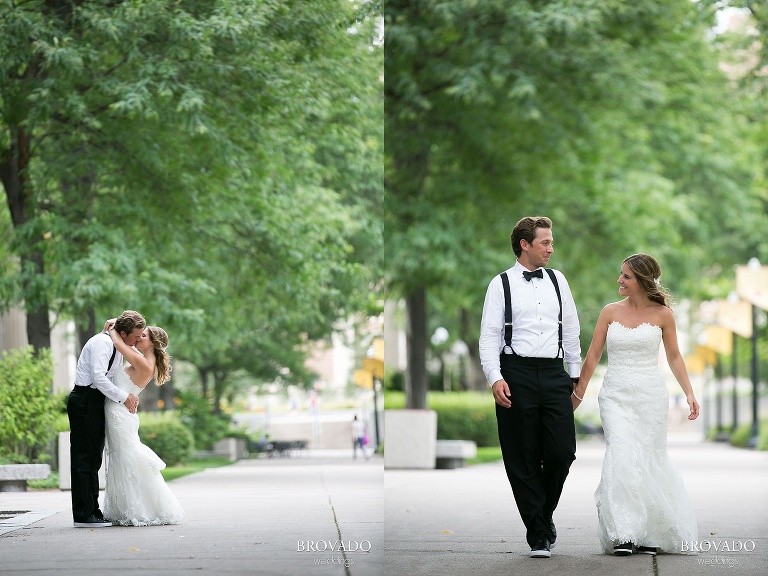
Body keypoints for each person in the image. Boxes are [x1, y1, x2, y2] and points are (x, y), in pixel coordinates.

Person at [574, 253, 699, 556]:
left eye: (626, 276)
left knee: (648, 458)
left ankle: (649, 532)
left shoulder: (663, 315)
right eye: (621, 274)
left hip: (650, 397)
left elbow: (674, 357)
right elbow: (592, 355)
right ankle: (624, 533)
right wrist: (578, 393)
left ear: (642, 281)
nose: (619, 280)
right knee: (621, 456)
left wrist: (690, 393)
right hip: (615, 395)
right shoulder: (609, 312)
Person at [479, 216, 582, 558]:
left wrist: (575, 376)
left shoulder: (558, 280)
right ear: (525, 245)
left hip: (554, 373)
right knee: (521, 457)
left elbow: (571, 330)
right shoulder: (500, 284)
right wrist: (495, 377)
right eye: (545, 243)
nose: (551, 248)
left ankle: (542, 514)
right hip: (515, 372)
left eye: (551, 243)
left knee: (562, 451)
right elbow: (489, 337)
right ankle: (538, 533)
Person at [102, 319, 185, 526]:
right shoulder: (143, 359)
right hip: (121, 412)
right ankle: (125, 507)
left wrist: (112, 328)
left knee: (126, 460)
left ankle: (135, 509)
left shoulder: (144, 363)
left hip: (119, 414)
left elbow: (120, 344)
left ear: (153, 343)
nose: (139, 338)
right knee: (123, 459)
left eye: (144, 336)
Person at [67, 310, 146, 528]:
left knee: (93, 458)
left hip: (94, 401)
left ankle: (92, 510)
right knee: (84, 457)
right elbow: (98, 377)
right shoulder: (103, 343)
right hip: (85, 399)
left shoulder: (115, 342)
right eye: (136, 336)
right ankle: (84, 515)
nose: (138, 340)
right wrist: (124, 398)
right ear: (122, 332)